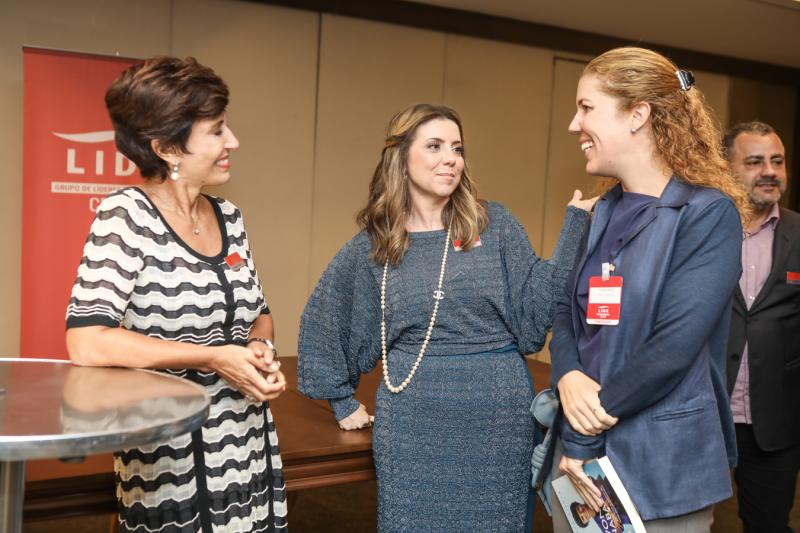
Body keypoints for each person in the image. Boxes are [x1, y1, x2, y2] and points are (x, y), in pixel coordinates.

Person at [297, 103, 594, 531]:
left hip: (497, 419)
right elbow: (325, 318)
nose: (451, 158)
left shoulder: (494, 225)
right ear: (401, 158)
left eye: (457, 148)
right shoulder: (377, 246)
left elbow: (533, 321)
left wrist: (574, 229)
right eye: (434, 146)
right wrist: (340, 400)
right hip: (412, 424)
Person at [65, 56, 288, 532]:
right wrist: (213, 357)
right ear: (167, 148)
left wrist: (258, 349)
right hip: (169, 452)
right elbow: (88, 341)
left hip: (246, 437)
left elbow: (259, 313)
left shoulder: (229, 216)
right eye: (217, 130)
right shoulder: (125, 216)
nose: (233, 141)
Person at [548, 47, 750, 532]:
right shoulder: (601, 211)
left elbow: (672, 348)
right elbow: (564, 311)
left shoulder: (707, 215)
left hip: (660, 465)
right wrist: (568, 374)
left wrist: (582, 431)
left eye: (586, 107)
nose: (574, 125)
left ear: (638, 115)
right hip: (577, 460)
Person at [723, 121, 800, 533]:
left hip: (776, 421)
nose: (770, 171)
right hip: (707, 413)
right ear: (726, 168)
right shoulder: (703, 230)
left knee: (768, 525)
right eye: (754, 162)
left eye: (777, 161)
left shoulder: (799, 233)